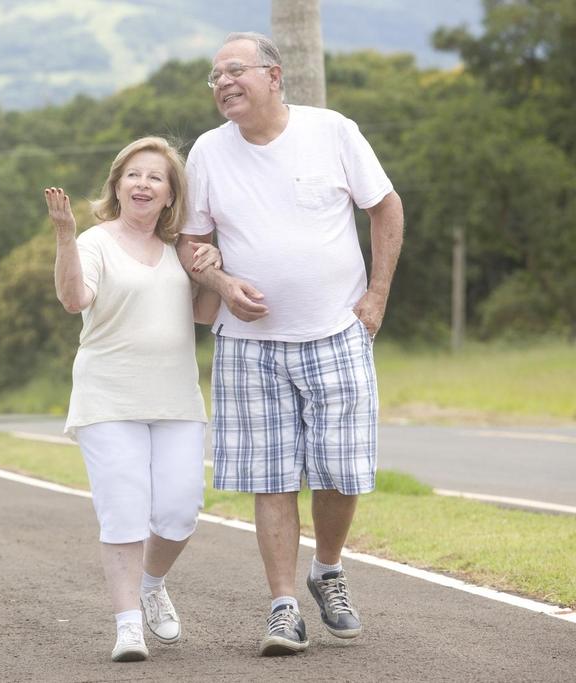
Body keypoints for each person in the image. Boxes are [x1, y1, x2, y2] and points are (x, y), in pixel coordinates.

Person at [177, 32, 405, 657]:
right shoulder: (206, 152)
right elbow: (191, 245)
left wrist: (377, 296)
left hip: (338, 331)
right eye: (214, 76)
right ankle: (283, 608)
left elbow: (386, 208)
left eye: (234, 70)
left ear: (274, 76)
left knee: (342, 470)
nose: (223, 82)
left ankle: (326, 569)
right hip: (249, 345)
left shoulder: (332, 130)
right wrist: (220, 280)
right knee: (270, 478)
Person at [46, 136, 222, 663]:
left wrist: (214, 264)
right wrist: (64, 237)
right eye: (134, 175)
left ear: (170, 195)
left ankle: (151, 586)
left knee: (179, 510)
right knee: (123, 510)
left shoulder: (178, 253)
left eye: (156, 178)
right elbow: (74, 298)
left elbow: (206, 314)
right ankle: (127, 626)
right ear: (117, 186)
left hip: (175, 399)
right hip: (109, 397)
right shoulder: (94, 243)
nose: (143, 184)